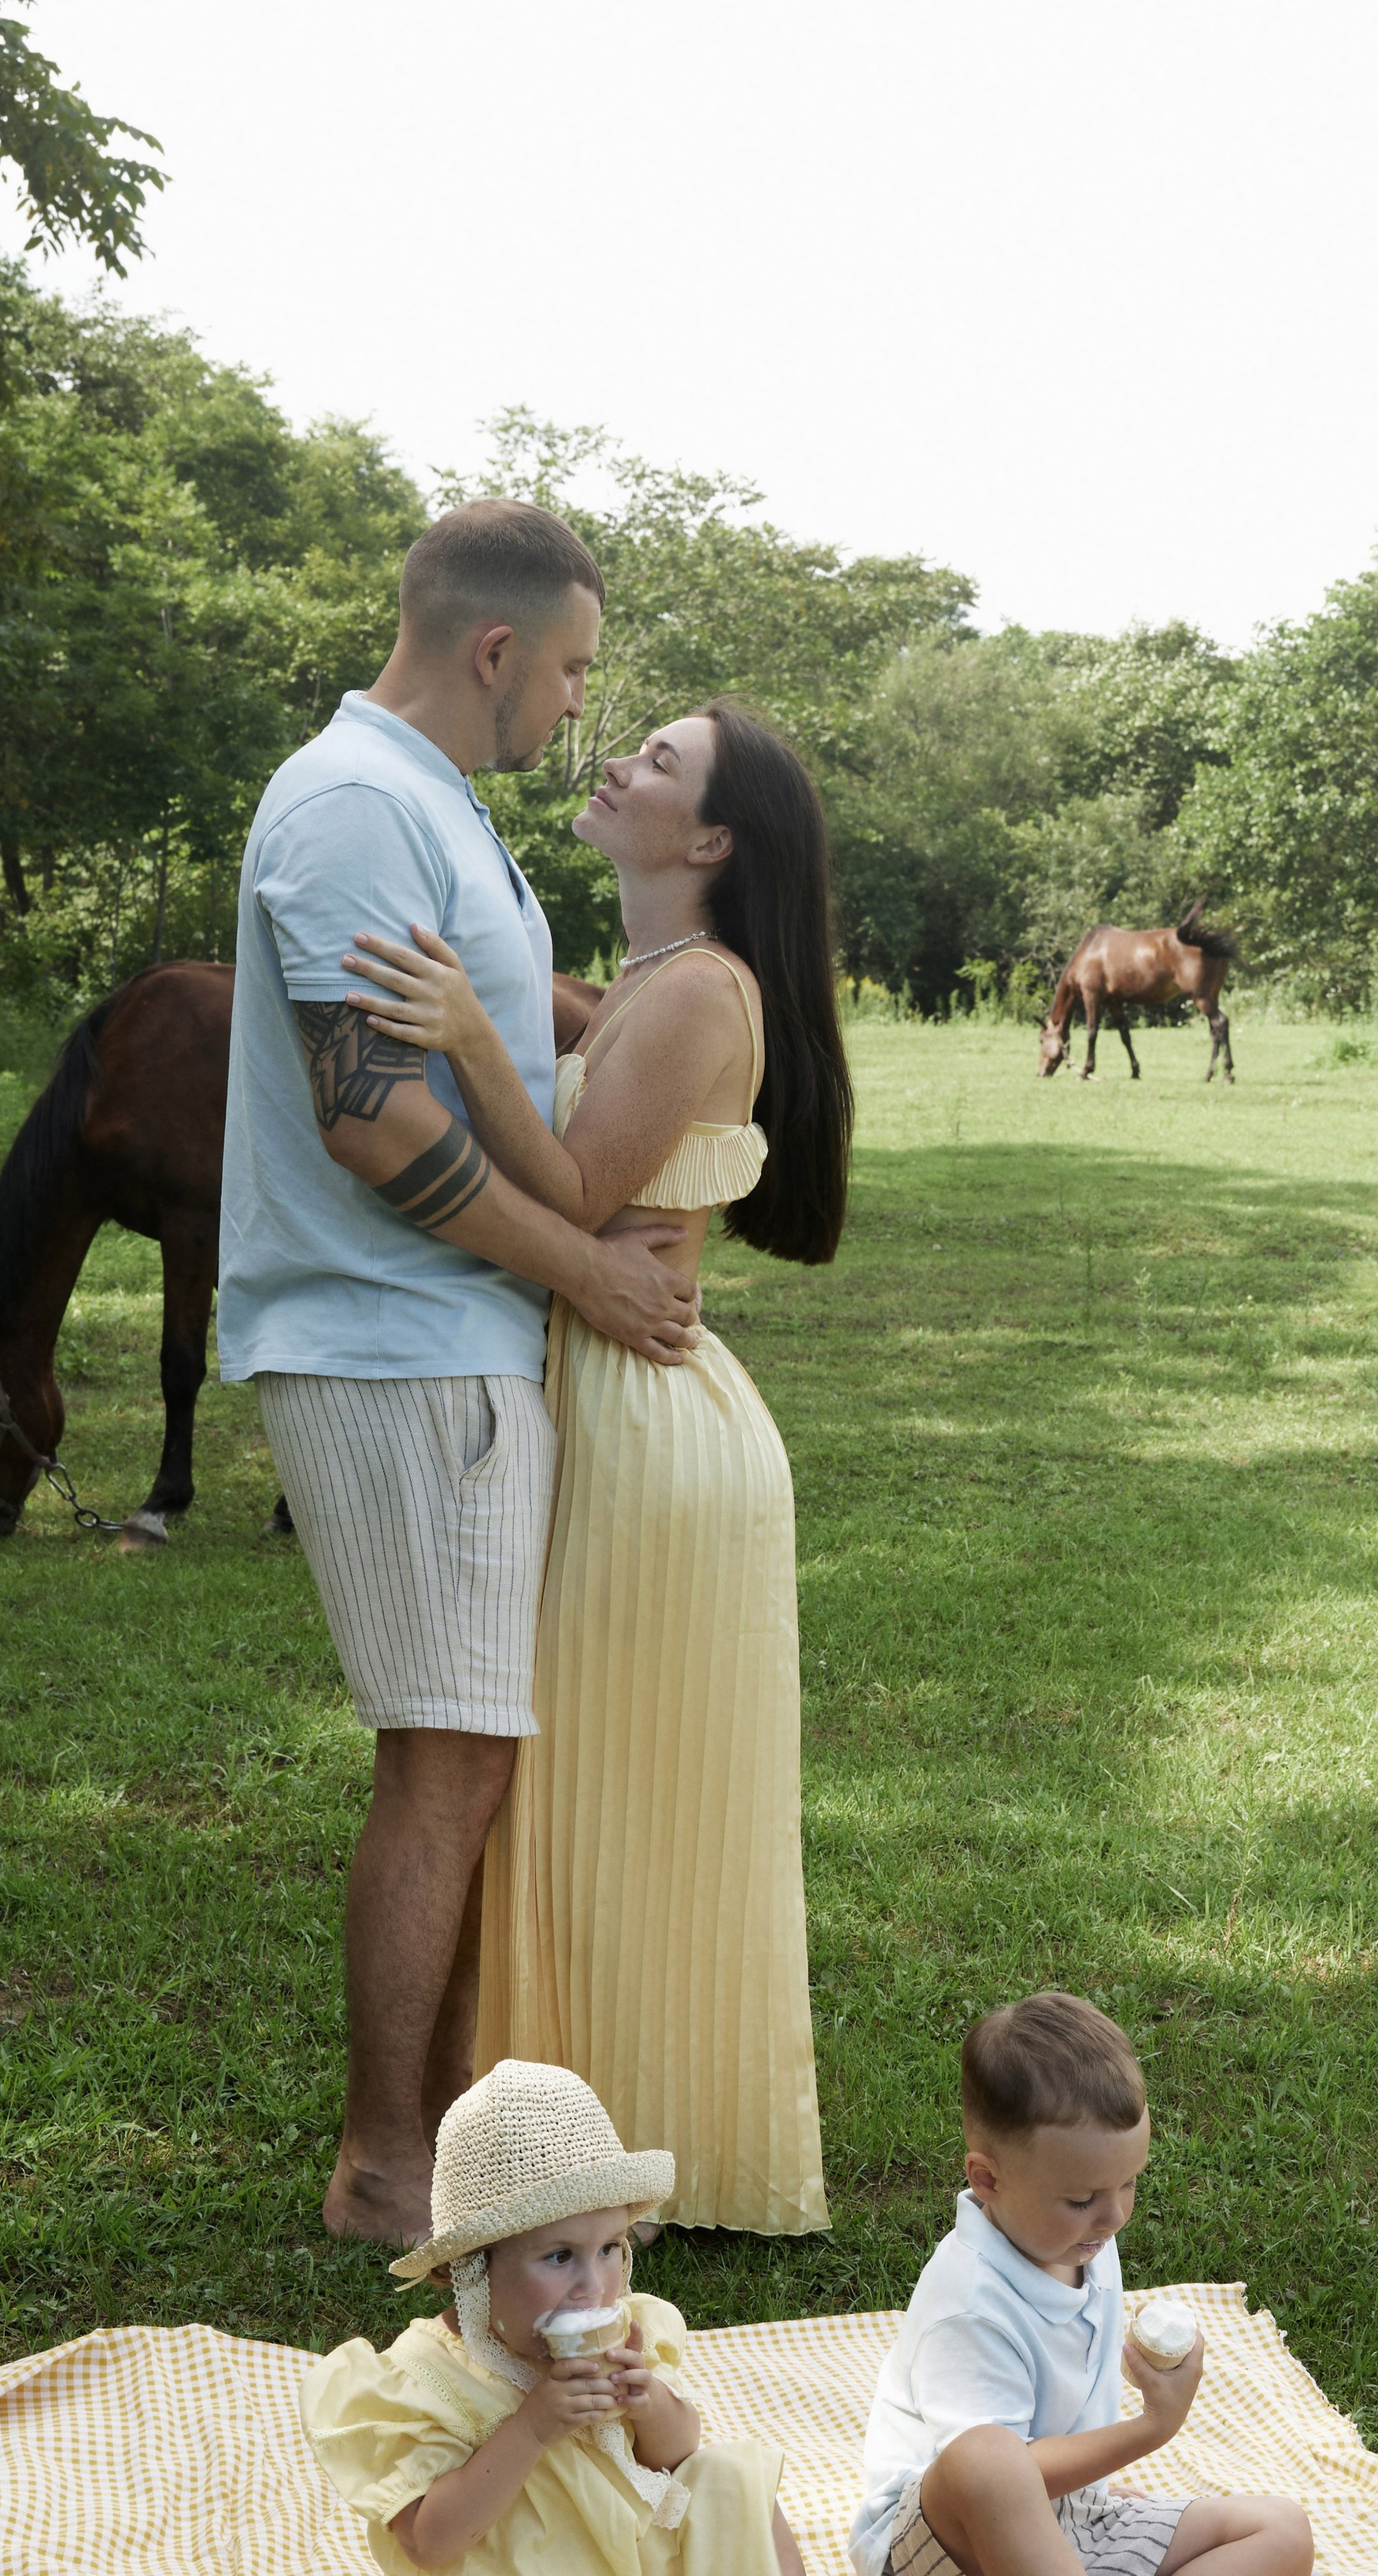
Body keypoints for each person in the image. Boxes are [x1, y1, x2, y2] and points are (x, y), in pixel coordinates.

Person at [217, 501, 703, 2252]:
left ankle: (436, 2132)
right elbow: (369, 1117)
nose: (577, 705)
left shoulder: (427, 805)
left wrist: (672, 1010)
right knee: (444, 1763)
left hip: (450, 1350)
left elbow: (484, 1021)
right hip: (396, 1347)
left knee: (471, 1757)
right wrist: (588, 1269)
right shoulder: (352, 805)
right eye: (569, 670)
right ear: (494, 649)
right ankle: (383, 2167)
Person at [342, 702, 850, 2236]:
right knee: (575, 1791)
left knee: (611, 1791)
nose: (617, 758)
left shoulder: (698, 991)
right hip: (608, 1394)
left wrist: (465, 1034)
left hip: (644, 1428)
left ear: (712, 839)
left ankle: (605, 2137)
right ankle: (553, 2132)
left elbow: (569, 1188)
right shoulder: (649, 980)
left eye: (660, 761)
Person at [300, 2062, 923, 2576]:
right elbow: (431, 2540)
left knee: (729, 2479)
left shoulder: (623, 2330)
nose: (594, 2285)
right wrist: (530, 2428)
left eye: (610, 2249)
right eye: (559, 2256)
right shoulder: (422, 2384)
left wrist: (649, 2402)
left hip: (620, 2566)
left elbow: (676, 2451)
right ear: (470, 2271)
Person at [848, 1992, 1314, 2576]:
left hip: (1065, 2526)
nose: (1114, 2215)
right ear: (987, 2179)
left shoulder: (1078, 2240)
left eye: (1128, 2184)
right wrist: (1150, 2428)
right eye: (1083, 2198)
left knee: (1282, 2531)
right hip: (941, 2564)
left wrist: (1104, 2475)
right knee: (988, 2457)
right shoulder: (969, 2300)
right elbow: (1002, 2474)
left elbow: (1056, 2463)